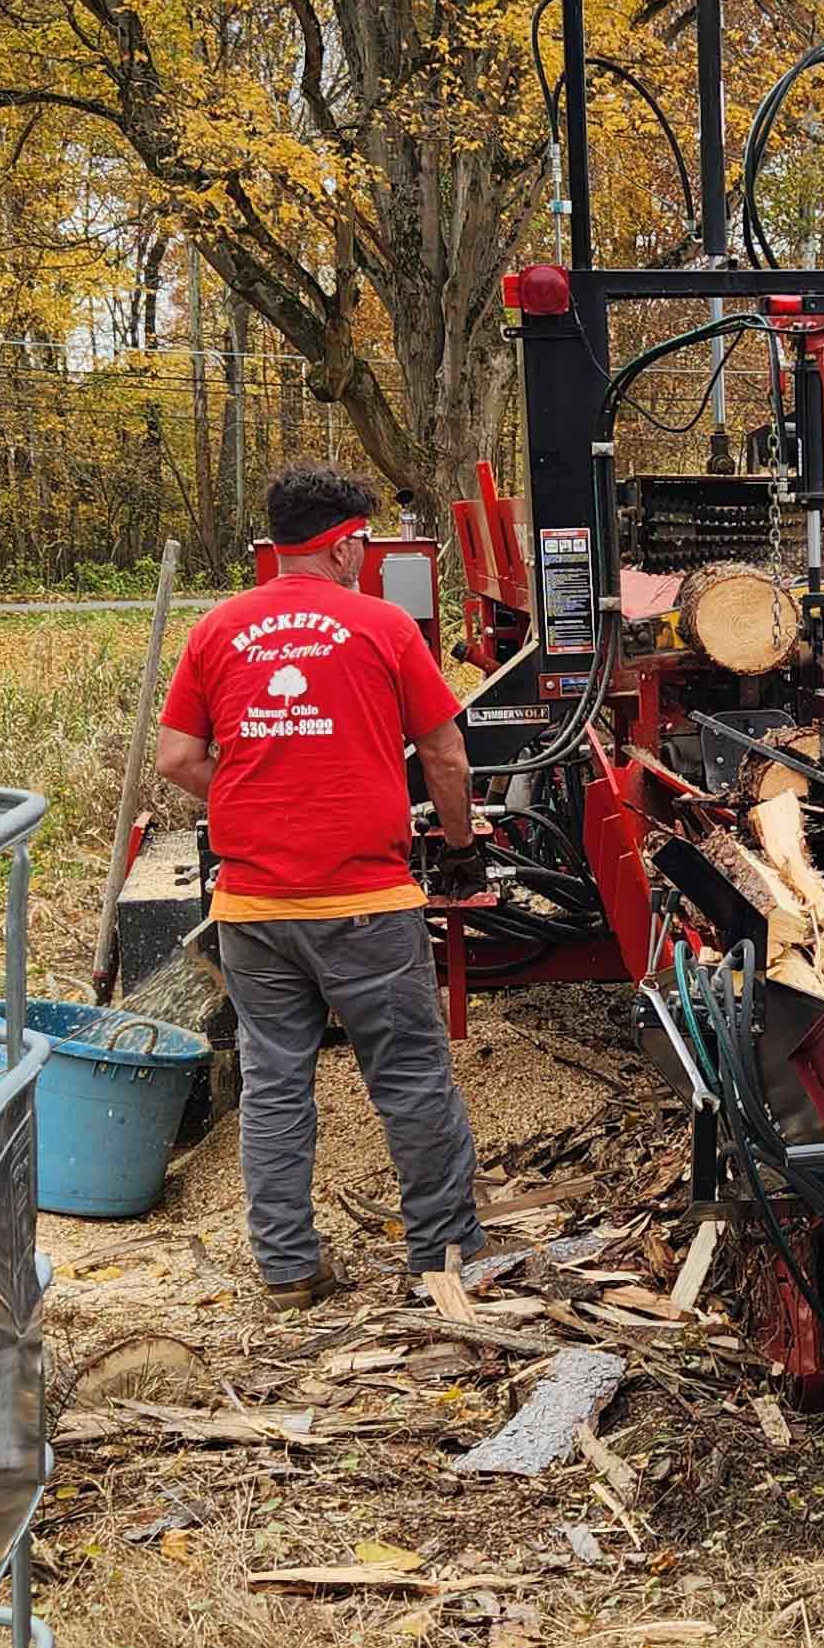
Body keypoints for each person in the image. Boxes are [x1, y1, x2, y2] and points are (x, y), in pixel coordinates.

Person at [157, 462, 489, 1304]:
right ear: (344, 544)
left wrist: (251, 795)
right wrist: (458, 847)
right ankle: (443, 1258)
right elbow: (447, 754)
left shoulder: (216, 629)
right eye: (362, 543)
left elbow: (177, 760)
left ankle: (287, 1269)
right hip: (364, 905)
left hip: (253, 908)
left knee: (274, 1084)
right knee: (410, 1078)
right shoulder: (381, 628)